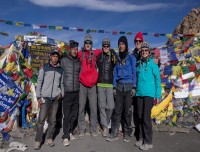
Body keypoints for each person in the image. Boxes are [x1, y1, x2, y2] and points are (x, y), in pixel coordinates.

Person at [107, 36, 137, 142]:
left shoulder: (131, 57)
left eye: (122, 44)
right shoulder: (117, 58)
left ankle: (127, 132)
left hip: (129, 86)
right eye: (119, 44)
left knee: (128, 111)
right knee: (117, 110)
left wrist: (134, 86)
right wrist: (114, 86)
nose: (121, 46)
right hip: (119, 86)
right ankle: (114, 133)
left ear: (126, 45)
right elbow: (115, 73)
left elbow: (134, 72)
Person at [34, 50, 64, 150]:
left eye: (57, 57)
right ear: (50, 57)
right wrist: (38, 96)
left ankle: (49, 138)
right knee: (41, 121)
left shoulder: (61, 69)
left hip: (55, 99)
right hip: (45, 98)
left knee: (53, 120)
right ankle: (38, 141)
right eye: (54, 56)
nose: (55, 58)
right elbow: (39, 82)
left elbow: (62, 84)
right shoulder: (45, 68)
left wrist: (61, 94)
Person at [135, 42, 161, 151]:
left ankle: (148, 141)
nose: (144, 52)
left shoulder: (152, 64)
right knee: (140, 116)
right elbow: (137, 78)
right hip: (140, 93)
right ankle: (141, 138)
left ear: (149, 52)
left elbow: (157, 80)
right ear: (141, 52)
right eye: (143, 51)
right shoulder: (139, 64)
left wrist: (158, 95)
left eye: (146, 50)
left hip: (149, 94)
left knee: (146, 117)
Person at [78, 34, 101, 138]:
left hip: (92, 85)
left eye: (89, 42)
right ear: (84, 43)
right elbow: (70, 53)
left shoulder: (95, 53)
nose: (88, 44)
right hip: (82, 84)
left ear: (92, 44)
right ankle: (82, 129)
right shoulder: (80, 53)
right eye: (86, 42)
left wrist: (113, 51)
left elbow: (105, 49)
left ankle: (93, 129)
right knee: (81, 107)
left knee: (93, 108)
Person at [60, 40, 80, 146]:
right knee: (66, 115)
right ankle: (65, 136)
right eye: (73, 49)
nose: (75, 51)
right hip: (67, 91)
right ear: (70, 50)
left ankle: (70, 131)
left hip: (76, 91)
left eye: (76, 49)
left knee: (74, 114)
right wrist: (61, 90)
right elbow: (59, 75)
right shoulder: (63, 60)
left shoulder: (78, 62)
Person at [96, 38, 116, 137]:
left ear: (110, 47)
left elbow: (116, 62)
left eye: (108, 46)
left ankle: (106, 121)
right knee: (102, 106)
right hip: (100, 84)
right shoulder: (99, 56)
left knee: (111, 106)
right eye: (104, 46)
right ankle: (104, 127)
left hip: (109, 84)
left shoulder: (112, 56)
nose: (106, 47)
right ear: (102, 47)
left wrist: (113, 52)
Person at [132, 32, 144, 140]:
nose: (138, 43)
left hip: (143, 85)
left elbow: (153, 63)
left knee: (142, 111)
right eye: (136, 41)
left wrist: (157, 62)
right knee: (134, 108)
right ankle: (135, 129)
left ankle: (142, 132)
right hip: (134, 84)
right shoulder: (133, 54)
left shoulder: (146, 53)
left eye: (140, 41)